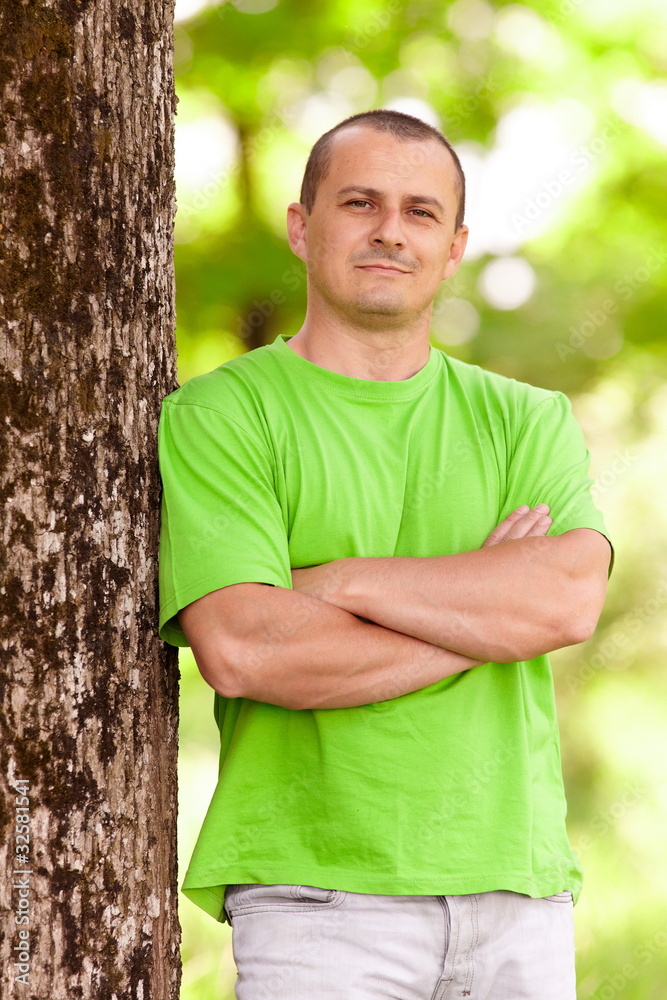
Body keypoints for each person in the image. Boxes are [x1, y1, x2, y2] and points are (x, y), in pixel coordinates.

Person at [157, 109, 614, 999]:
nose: (388, 232)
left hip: (516, 892)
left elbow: (563, 605)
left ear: (453, 247)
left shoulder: (527, 420)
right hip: (317, 899)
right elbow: (245, 648)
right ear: (303, 226)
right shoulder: (223, 417)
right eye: (359, 202)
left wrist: (340, 584)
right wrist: (486, 615)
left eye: (419, 212)